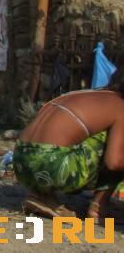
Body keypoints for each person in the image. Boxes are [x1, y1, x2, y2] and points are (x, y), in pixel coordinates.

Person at [13, 69, 124, 222]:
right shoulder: (120, 106)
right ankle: (99, 207)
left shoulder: (88, 94)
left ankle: (42, 195)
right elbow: (114, 162)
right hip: (52, 168)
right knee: (118, 148)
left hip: (21, 164)